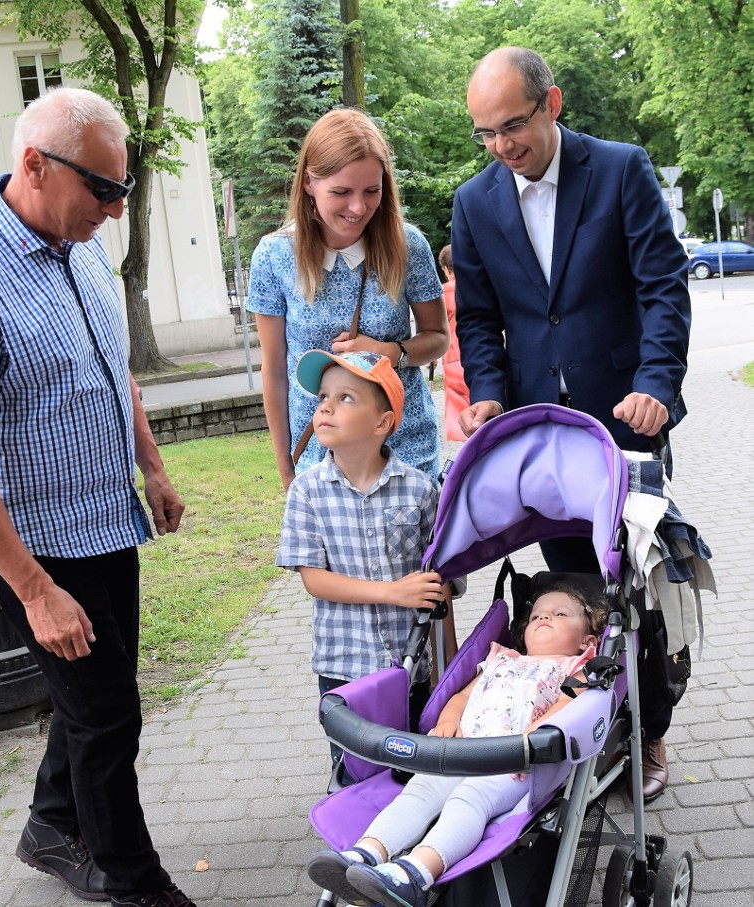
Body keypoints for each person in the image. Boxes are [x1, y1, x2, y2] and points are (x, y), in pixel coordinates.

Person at [0, 87, 194, 907]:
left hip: (107, 518)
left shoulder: (83, 246)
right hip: (36, 545)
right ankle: (131, 880)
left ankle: (50, 822)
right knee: (109, 718)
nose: (113, 209)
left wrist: (153, 467)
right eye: (101, 189)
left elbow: (117, 372)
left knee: (95, 701)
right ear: (33, 164)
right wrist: (36, 591)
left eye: (123, 190)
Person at [451, 46, 692, 801]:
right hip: (540, 439)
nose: (501, 146)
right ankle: (583, 723)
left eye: (512, 125)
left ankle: (650, 734)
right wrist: (488, 394)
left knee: (636, 591)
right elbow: (482, 319)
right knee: (573, 593)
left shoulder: (620, 169)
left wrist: (655, 384)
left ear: (551, 103)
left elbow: (662, 286)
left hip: (624, 425)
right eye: (485, 133)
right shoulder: (475, 201)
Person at [306, 584, 608, 907]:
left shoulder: (576, 670)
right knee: (419, 791)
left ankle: (414, 873)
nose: (544, 616)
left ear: (587, 641)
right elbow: (463, 695)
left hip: (512, 761)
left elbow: (567, 705)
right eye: (537, 615)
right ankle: (366, 853)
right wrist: (449, 718)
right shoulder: (503, 659)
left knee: (468, 800)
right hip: (462, 749)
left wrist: (534, 734)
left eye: (559, 614)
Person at [247, 107, 450, 489]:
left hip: (406, 451)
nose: (359, 208)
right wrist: (286, 467)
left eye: (372, 191)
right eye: (341, 192)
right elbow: (274, 371)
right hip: (320, 459)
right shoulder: (274, 256)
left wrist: (393, 352)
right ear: (309, 183)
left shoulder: (407, 245)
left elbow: (439, 337)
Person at [276, 350, 444, 762]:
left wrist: (447, 666)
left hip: (411, 667)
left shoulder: (421, 490)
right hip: (342, 667)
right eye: (322, 398)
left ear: (383, 423)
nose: (326, 407)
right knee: (353, 772)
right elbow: (314, 579)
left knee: (413, 771)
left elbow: (438, 588)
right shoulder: (307, 491)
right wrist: (391, 593)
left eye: (346, 398)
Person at [437, 244, 471, 442]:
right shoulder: (476, 288)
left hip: (451, 356)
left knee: (459, 409)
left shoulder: (443, 292)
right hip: (475, 353)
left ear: (447, 269)